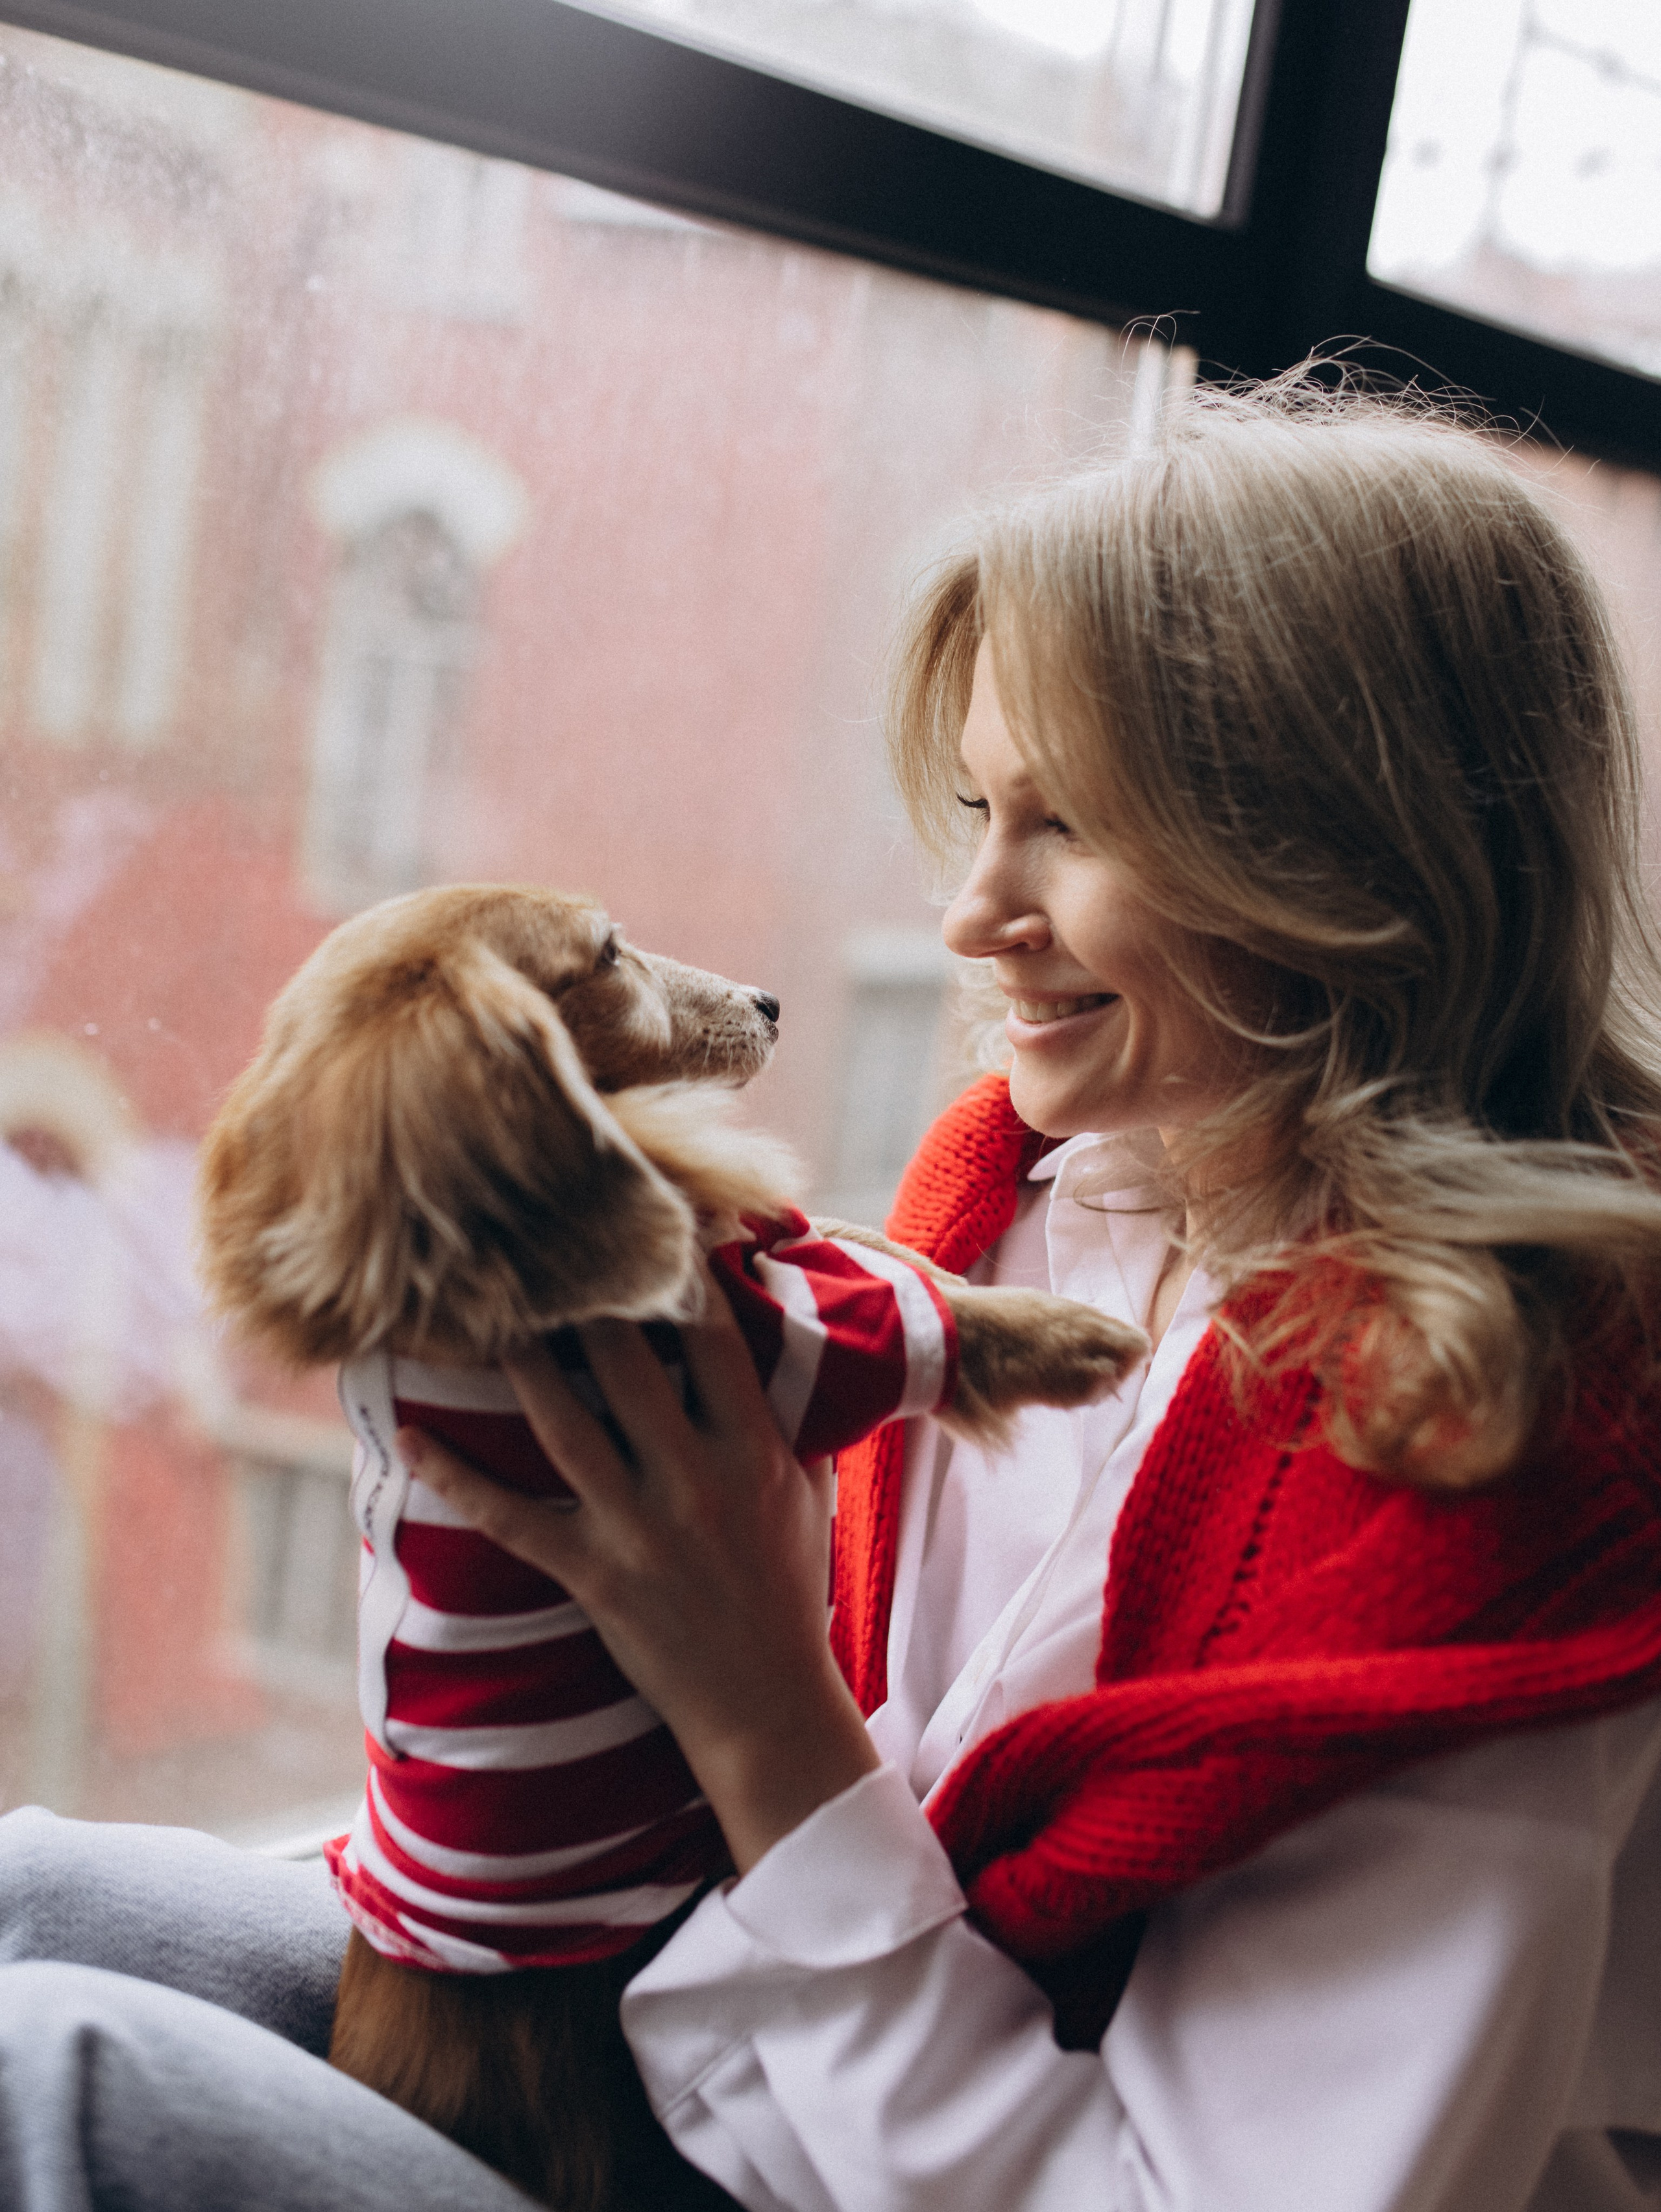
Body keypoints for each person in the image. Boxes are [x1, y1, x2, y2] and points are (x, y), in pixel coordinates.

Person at [3, 372, 1660, 2212]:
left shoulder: (1491, 1486)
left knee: (45, 2084)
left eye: (1074, 825)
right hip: (714, 2044)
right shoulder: (1023, 1197)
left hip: (854, 2148)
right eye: (976, 805)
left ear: (1344, 858)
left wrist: (752, 1697)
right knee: (35, 1895)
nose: (971, 910)